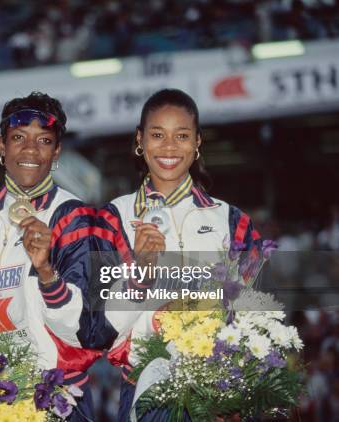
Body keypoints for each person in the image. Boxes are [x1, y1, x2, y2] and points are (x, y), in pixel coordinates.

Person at [96, 89, 262, 421]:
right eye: (158, 135)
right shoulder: (113, 218)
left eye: (181, 135)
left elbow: (253, 314)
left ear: (197, 142)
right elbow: (102, 326)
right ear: (140, 140)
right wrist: (142, 270)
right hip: (146, 386)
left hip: (220, 386)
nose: (169, 146)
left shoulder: (233, 221)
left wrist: (237, 381)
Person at [0, 92, 106, 421]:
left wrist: (45, 271)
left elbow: (85, 327)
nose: (30, 150)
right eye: (18, 138)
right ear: (1, 146)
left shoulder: (73, 217)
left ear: (56, 151)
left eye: (43, 140)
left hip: (53, 396)